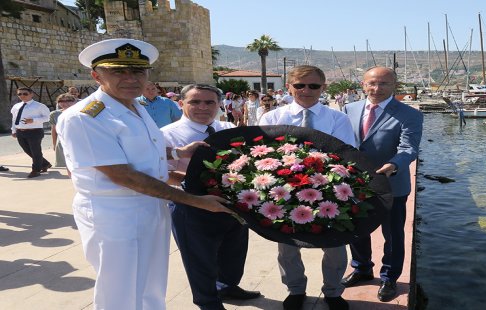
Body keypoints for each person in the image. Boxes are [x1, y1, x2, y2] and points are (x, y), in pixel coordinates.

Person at [56, 38, 230, 310]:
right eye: (118, 71)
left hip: (149, 205)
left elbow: (143, 150)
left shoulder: (134, 106)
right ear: (96, 75)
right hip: (115, 212)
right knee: (121, 288)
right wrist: (195, 200)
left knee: (151, 282)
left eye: (137, 71)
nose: (130, 78)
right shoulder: (86, 116)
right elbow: (122, 175)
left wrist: (178, 153)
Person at [259, 65, 355, 310]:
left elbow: (344, 154)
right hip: (283, 192)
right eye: (300, 85)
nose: (306, 90)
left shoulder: (338, 118)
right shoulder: (272, 118)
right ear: (289, 86)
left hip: (328, 190)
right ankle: (295, 289)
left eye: (313, 85)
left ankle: (333, 291)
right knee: (287, 247)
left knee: (335, 246)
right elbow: (261, 155)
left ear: (323, 88)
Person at [161, 84, 260, 310]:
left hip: (231, 204)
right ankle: (208, 302)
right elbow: (162, 173)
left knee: (233, 252)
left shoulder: (227, 127)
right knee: (200, 259)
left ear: (218, 105)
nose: (202, 107)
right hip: (192, 205)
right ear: (181, 104)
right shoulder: (167, 134)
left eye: (209, 102)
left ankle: (227, 286)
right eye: (195, 102)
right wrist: (198, 181)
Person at [341, 67, 423, 302]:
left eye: (384, 84)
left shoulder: (410, 115)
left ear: (394, 85)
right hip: (355, 184)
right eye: (372, 83)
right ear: (363, 84)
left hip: (392, 184)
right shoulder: (349, 109)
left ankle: (389, 277)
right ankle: (362, 268)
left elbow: (409, 148)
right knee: (356, 230)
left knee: (393, 234)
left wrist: (394, 164)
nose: (377, 89)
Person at [10, 87, 52, 178]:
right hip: (20, 132)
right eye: (19, 94)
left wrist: (33, 120)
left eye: (25, 94)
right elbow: (14, 119)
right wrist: (14, 130)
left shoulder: (39, 106)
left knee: (35, 151)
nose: (22, 96)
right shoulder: (16, 106)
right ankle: (45, 164)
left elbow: (47, 118)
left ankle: (36, 170)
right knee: (27, 150)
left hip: (35, 131)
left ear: (31, 94)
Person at [49, 93, 77, 169]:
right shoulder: (54, 114)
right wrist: (54, 144)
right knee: (66, 165)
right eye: (61, 101)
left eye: (68, 100)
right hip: (62, 142)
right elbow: (54, 130)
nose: (64, 103)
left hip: (78, 142)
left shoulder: (80, 113)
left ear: (74, 101)